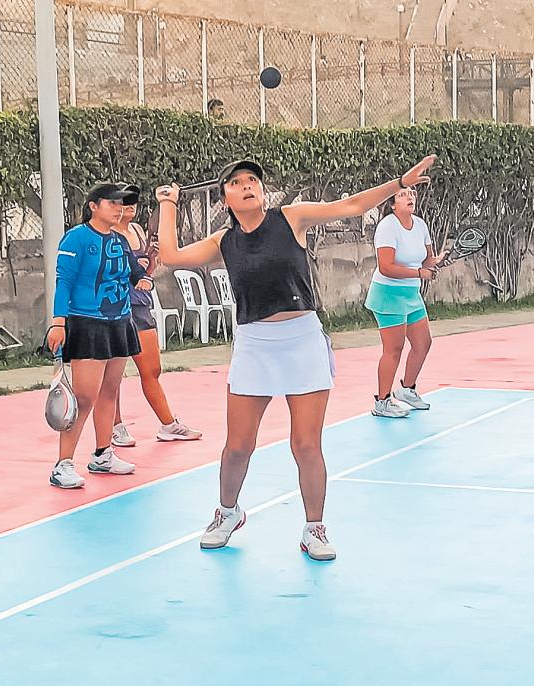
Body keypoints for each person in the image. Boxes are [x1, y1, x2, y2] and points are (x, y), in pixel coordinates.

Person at [155, 155, 437, 561]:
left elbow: (351, 205)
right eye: (237, 182)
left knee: (306, 444)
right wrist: (168, 203)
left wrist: (399, 183)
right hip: (254, 345)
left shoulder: (292, 217)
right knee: (238, 447)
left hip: (302, 341)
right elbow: (170, 255)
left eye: (253, 179)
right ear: (224, 198)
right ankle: (228, 512)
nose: (248, 185)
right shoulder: (223, 242)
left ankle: (314, 528)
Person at [46, 183, 154, 489]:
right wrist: (58, 323)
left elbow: (135, 272)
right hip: (87, 324)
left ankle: (103, 454)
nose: (119, 208)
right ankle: (63, 464)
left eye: (122, 204)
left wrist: (145, 278)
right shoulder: (76, 238)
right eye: (112, 203)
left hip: (120, 323)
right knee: (84, 398)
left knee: (110, 392)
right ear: (93, 206)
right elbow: (64, 281)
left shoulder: (120, 240)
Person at [109, 186, 202, 447]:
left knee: (152, 369)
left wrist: (151, 260)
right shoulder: (106, 235)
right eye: (122, 201)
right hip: (115, 308)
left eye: (133, 201)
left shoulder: (138, 231)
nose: (129, 205)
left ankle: (169, 425)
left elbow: (146, 273)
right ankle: (115, 426)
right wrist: (129, 270)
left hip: (140, 306)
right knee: (113, 375)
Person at [365, 187, 444, 419]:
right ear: (392, 204)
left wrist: (438, 261)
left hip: (411, 294)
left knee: (423, 343)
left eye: (411, 193)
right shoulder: (387, 227)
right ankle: (382, 402)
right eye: (402, 194)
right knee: (394, 349)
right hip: (388, 294)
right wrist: (420, 273)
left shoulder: (420, 225)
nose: (409, 197)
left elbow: (427, 260)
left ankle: (407, 390)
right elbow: (386, 267)